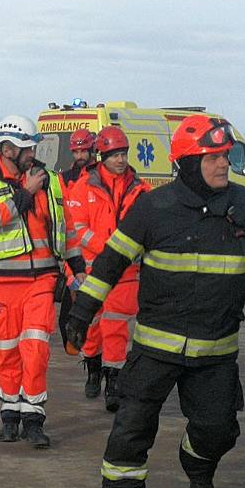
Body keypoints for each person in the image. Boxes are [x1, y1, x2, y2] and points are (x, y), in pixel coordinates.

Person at [65, 115, 245, 488]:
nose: (223, 164)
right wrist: (82, 313)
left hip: (216, 353)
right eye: (212, 158)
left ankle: (197, 463)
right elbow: (111, 263)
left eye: (224, 156)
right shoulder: (154, 208)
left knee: (219, 430)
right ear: (188, 164)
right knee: (131, 430)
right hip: (155, 351)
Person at [0, 114, 83, 448]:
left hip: (41, 280)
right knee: (7, 353)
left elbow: (67, 228)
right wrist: (25, 191)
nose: (31, 154)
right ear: (7, 149)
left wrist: (76, 267)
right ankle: (9, 417)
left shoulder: (50, 180)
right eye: (25, 148)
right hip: (2, 284)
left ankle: (34, 420)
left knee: (35, 351)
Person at [65, 127, 151, 410]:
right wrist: (110, 250)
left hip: (126, 272)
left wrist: (126, 254)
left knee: (117, 329)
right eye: (115, 155)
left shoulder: (141, 189)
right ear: (102, 156)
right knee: (91, 328)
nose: (120, 159)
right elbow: (77, 229)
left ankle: (113, 382)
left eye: (123, 154)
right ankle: (92, 369)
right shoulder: (82, 187)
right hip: (93, 270)